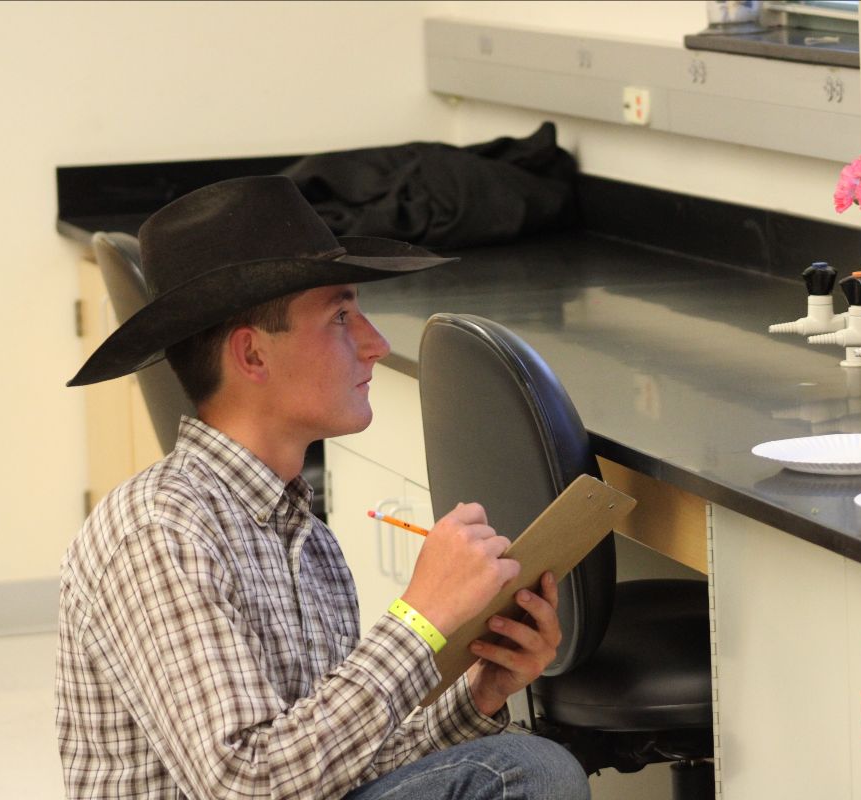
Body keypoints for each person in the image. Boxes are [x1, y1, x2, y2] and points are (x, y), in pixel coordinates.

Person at [57, 176, 590, 799]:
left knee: (522, 758)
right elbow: (249, 785)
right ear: (253, 356)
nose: (376, 344)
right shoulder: (159, 530)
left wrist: (479, 694)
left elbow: (334, 771)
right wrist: (421, 620)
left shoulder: (309, 542)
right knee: (528, 773)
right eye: (341, 316)